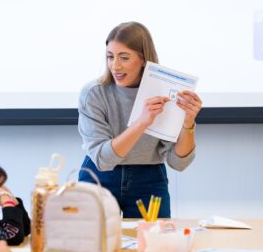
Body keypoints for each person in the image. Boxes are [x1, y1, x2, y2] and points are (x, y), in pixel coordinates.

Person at [78, 21, 202, 218]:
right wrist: (142, 122)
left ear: (143, 59)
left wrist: (188, 124)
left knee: (152, 245)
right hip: (99, 177)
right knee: (92, 245)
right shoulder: (94, 93)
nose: (115, 66)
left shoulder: (166, 93)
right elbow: (103, 160)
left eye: (124, 58)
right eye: (110, 57)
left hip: (149, 178)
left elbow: (179, 163)